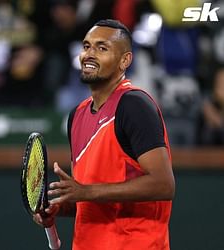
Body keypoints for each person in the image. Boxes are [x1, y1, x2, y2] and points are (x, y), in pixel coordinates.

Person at [34, 19, 175, 249]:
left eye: (102, 48)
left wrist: (85, 191)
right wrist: (63, 206)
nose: (89, 54)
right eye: (87, 46)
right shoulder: (76, 115)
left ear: (125, 60)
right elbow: (91, 199)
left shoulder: (135, 105)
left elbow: (163, 184)